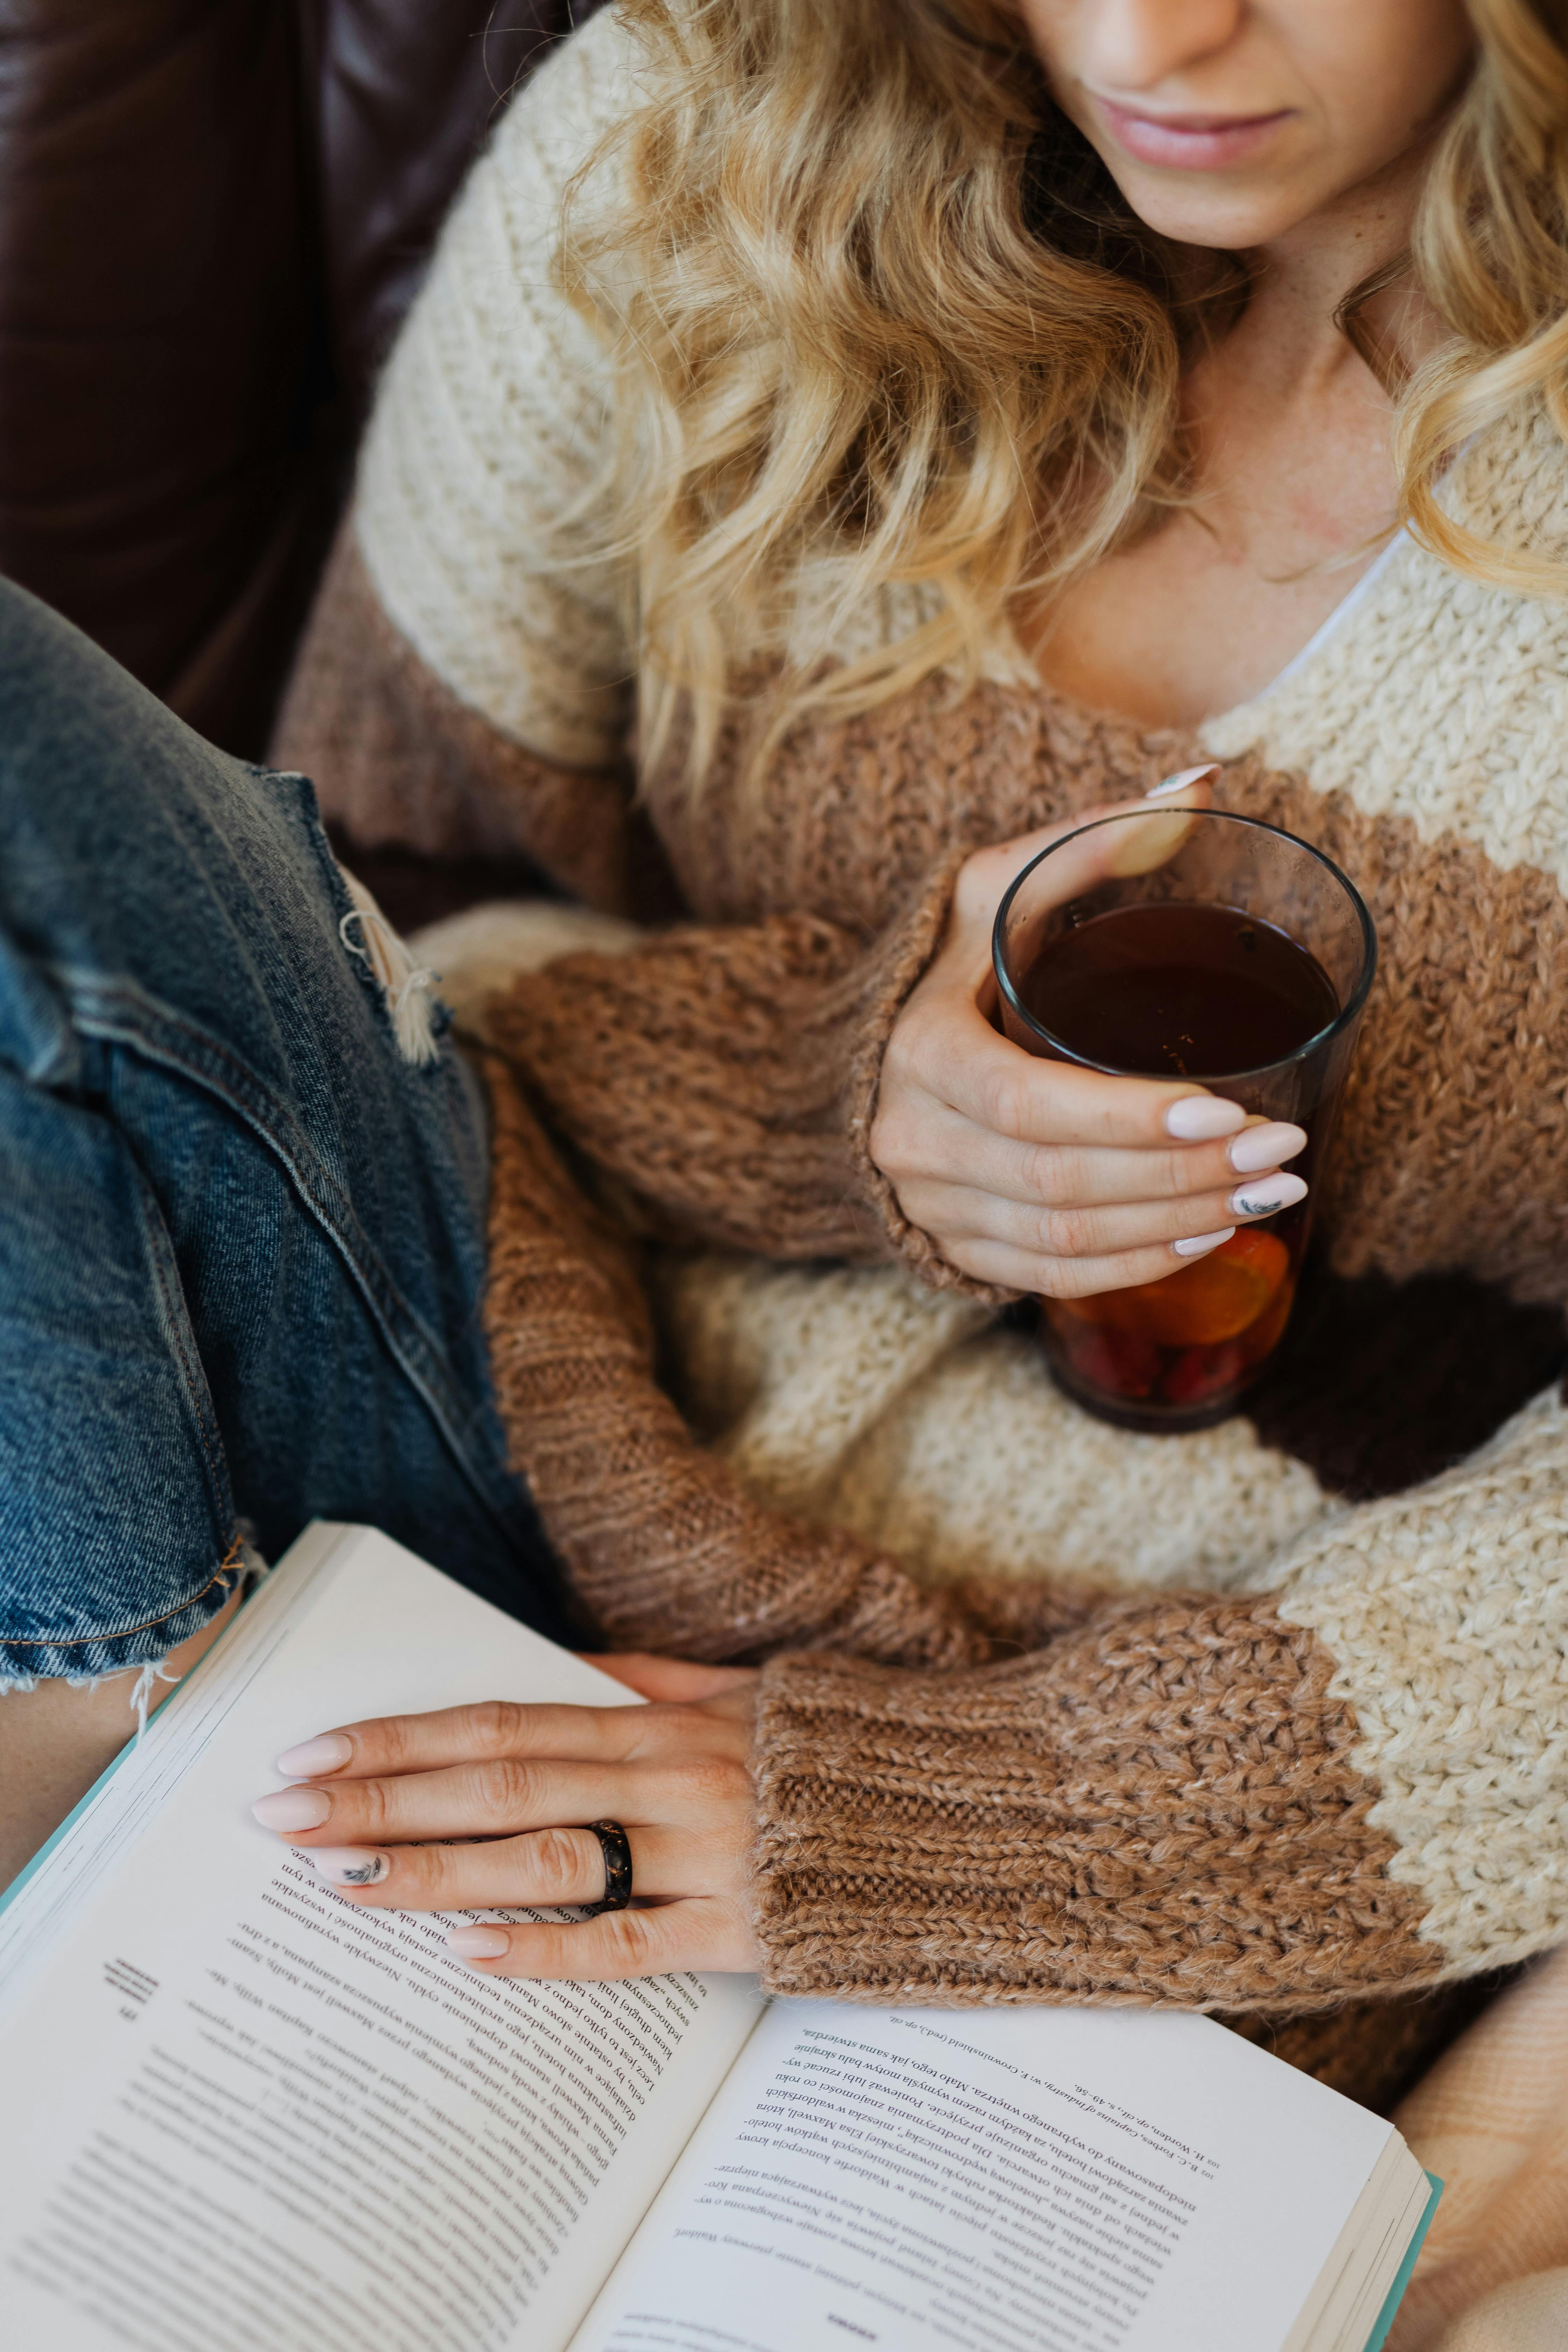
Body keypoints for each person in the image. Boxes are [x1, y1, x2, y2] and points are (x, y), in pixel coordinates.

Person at [5, 0, 1567, 2105]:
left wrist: (960, 1821)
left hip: (1135, 1804)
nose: (1154, 36)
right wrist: (818, 1106)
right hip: (483, 1407)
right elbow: (375, 879)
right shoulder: (694, 139)